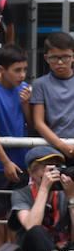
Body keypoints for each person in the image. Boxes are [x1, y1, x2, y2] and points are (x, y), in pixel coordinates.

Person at [0, 45, 32, 248]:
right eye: (17, 70)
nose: (22, 75)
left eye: (24, 70)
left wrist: (26, 104)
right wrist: (5, 162)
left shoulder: (24, 89)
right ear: (2, 69)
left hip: (22, 160)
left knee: (18, 214)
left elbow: (32, 124)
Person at [12, 147, 74, 251]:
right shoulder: (21, 194)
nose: (52, 173)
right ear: (32, 172)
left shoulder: (65, 192)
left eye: (56, 167)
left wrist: (71, 198)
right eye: (47, 168)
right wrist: (44, 189)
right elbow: (31, 226)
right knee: (36, 231)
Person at [32, 31, 74, 159]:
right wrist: (63, 147)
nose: (60, 62)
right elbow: (38, 122)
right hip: (52, 149)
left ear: (73, 56)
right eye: (54, 58)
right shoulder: (40, 84)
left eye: (65, 57)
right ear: (46, 58)